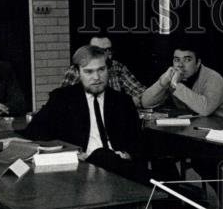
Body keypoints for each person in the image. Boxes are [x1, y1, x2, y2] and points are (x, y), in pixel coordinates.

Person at [21, 45, 149, 186]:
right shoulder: (62, 98)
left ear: (108, 69)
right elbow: (33, 132)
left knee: (161, 181)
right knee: (102, 155)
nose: (97, 77)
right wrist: (69, 152)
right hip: (81, 167)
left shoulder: (122, 101)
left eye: (101, 69)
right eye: (89, 72)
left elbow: (139, 144)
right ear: (78, 72)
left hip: (120, 166)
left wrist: (127, 154)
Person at [141, 43, 223, 119]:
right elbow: (146, 103)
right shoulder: (172, 76)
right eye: (176, 60)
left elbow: (205, 110)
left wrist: (176, 85)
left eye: (187, 60)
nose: (180, 65)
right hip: (198, 127)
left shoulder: (214, 78)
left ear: (198, 63)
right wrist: (162, 83)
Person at [61, 33, 146, 108]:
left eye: (109, 50)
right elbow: (65, 101)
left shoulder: (117, 67)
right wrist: (125, 103)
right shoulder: (76, 70)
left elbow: (140, 92)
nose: (107, 54)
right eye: (99, 51)